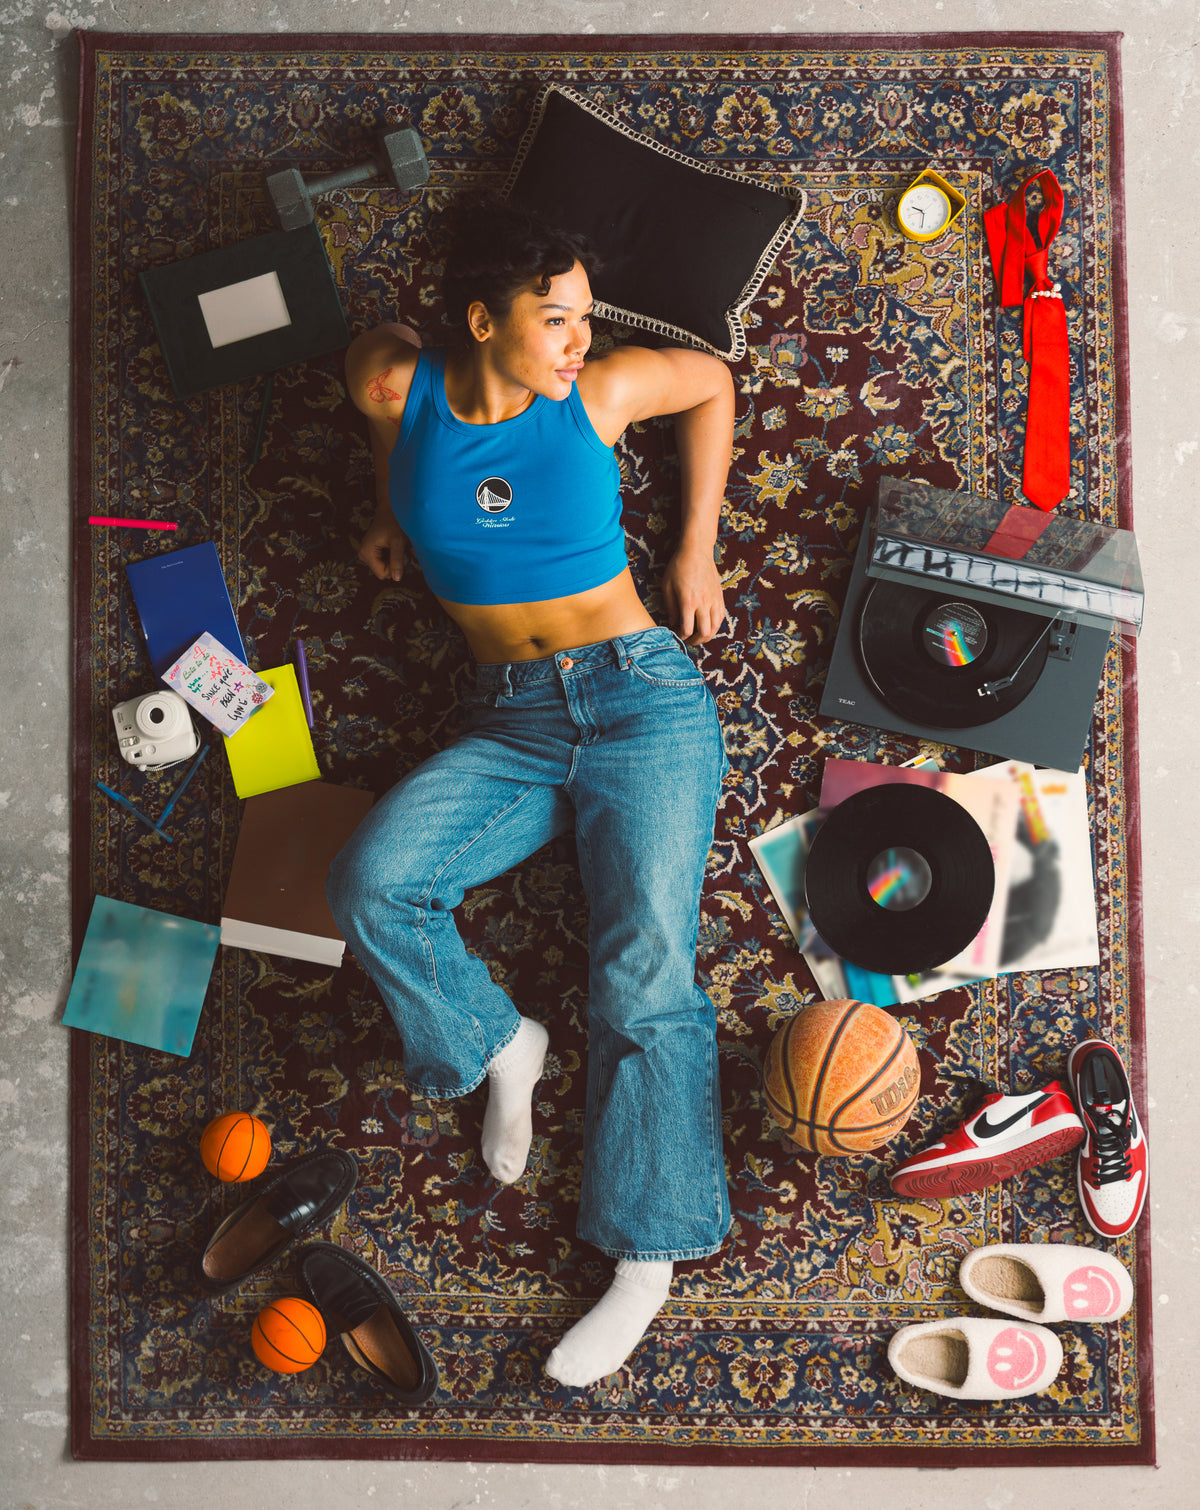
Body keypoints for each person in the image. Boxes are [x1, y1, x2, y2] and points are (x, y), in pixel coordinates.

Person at [327, 192, 735, 1388]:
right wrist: (393, 510)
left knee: (643, 971)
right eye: (554, 319)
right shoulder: (393, 386)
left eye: (582, 319)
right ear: (479, 320)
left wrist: (694, 544)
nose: (576, 342)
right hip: (509, 724)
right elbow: (376, 386)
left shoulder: (599, 396)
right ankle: (503, 1039)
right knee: (372, 882)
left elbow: (709, 379)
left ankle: (646, 1255)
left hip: (641, 702)